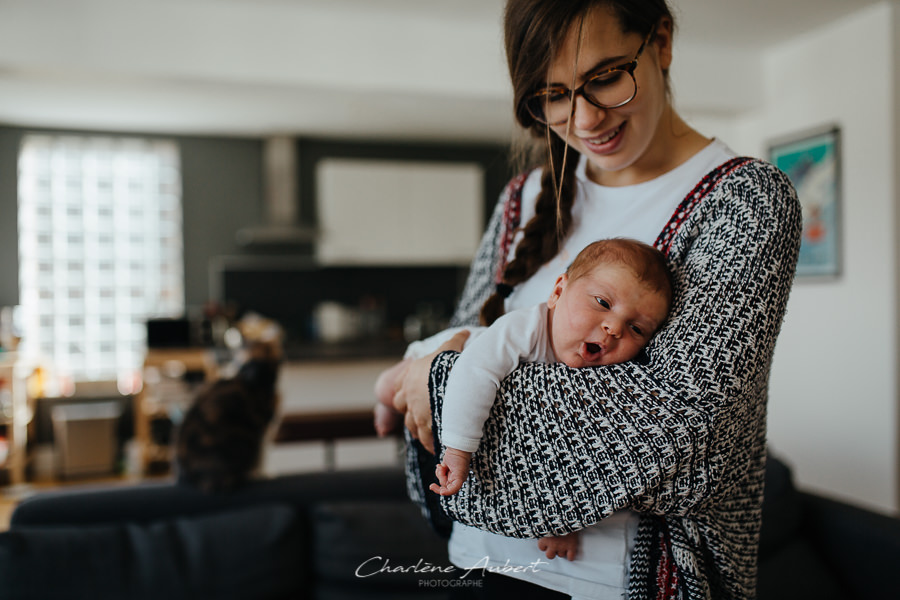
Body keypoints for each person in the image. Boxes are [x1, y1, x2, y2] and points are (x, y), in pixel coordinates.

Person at [390, 1, 802, 599]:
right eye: (552, 94)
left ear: (660, 42)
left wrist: (449, 381)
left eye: (606, 77)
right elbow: (433, 391)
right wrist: (442, 376)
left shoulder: (744, 200)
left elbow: (678, 436)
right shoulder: (522, 200)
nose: (584, 120)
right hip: (475, 563)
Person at [376, 238, 672, 561]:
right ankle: (383, 403)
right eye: (602, 302)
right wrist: (458, 451)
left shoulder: (603, 379)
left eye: (637, 329)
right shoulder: (524, 329)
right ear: (558, 291)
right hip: (451, 352)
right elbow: (471, 375)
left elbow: (564, 459)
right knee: (391, 385)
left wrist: (560, 524)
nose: (614, 328)